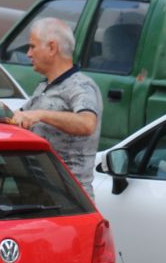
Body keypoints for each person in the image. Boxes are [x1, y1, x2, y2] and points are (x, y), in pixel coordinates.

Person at [12, 18, 101, 196]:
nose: (28, 54)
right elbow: (16, 117)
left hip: (69, 200)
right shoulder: (44, 86)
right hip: (42, 196)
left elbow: (87, 124)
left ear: (52, 48)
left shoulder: (81, 86)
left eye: (32, 46)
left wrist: (41, 115)